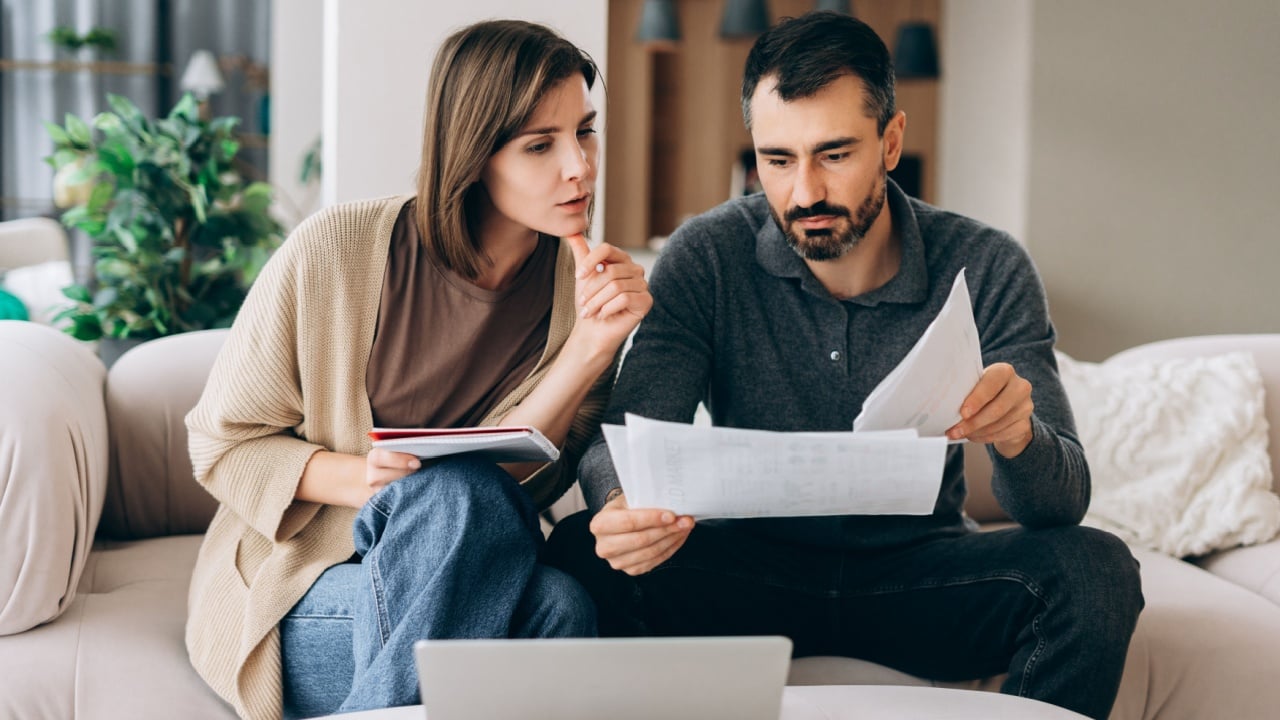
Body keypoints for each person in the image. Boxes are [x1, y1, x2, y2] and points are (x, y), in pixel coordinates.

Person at [546, 11, 1142, 720]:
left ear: (891, 141)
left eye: (834, 154)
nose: (803, 194)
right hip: (748, 571)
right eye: (777, 160)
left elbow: (1059, 503)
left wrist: (1018, 436)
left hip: (920, 576)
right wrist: (619, 506)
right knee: (583, 553)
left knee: (1096, 570)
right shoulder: (707, 255)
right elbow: (630, 431)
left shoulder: (987, 264)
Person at [184, 20, 652, 720]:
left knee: (561, 603)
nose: (580, 166)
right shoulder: (334, 251)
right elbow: (221, 444)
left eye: (584, 132)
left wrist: (591, 348)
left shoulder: (580, 295)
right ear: (473, 154)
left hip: (473, 576)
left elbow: (532, 484)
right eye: (540, 145)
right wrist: (364, 480)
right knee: (455, 496)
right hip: (310, 589)